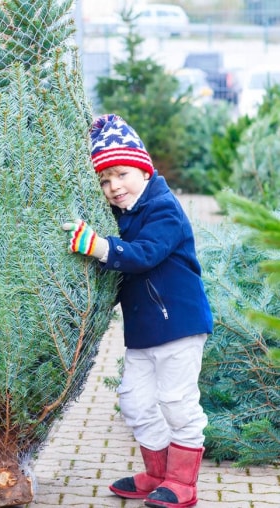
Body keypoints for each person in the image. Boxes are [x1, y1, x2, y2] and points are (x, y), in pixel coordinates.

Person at [61, 114, 212, 508]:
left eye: (121, 175)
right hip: (144, 330)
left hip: (179, 324)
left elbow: (146, 254)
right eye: (105, 181)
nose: (114, 188)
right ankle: (157, 474)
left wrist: (100, 247)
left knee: (177, 400)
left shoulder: (164, 208)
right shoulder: (123, 215)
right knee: (134, 400)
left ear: (143, 168)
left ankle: (183, 483)